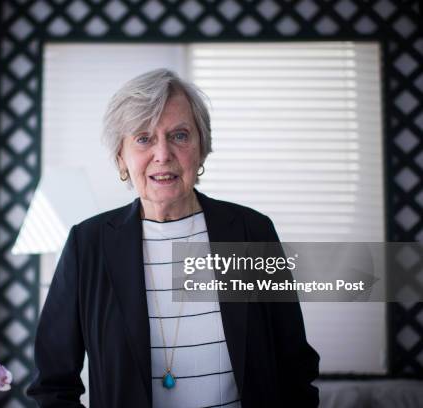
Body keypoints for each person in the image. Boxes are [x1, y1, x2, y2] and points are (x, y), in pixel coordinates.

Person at [27, 69, 319, 408]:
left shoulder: (251, 232)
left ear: (202, 148)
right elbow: (52, 384)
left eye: (179, 135)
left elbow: (294, 365)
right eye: (143, 138)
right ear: (121, 157)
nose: (163, 154)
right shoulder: (88, 245)